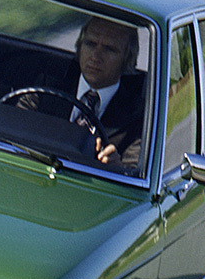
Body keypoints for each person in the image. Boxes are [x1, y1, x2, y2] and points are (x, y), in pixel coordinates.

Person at [20, 17, 144, 171]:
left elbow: (133, 172)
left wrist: (116, 168)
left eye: (109, 49)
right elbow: (11, 135)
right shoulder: (44, 91)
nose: (96, 56)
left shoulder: (140, 118)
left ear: (127, 59)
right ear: (79, 47)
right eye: (90, 44)